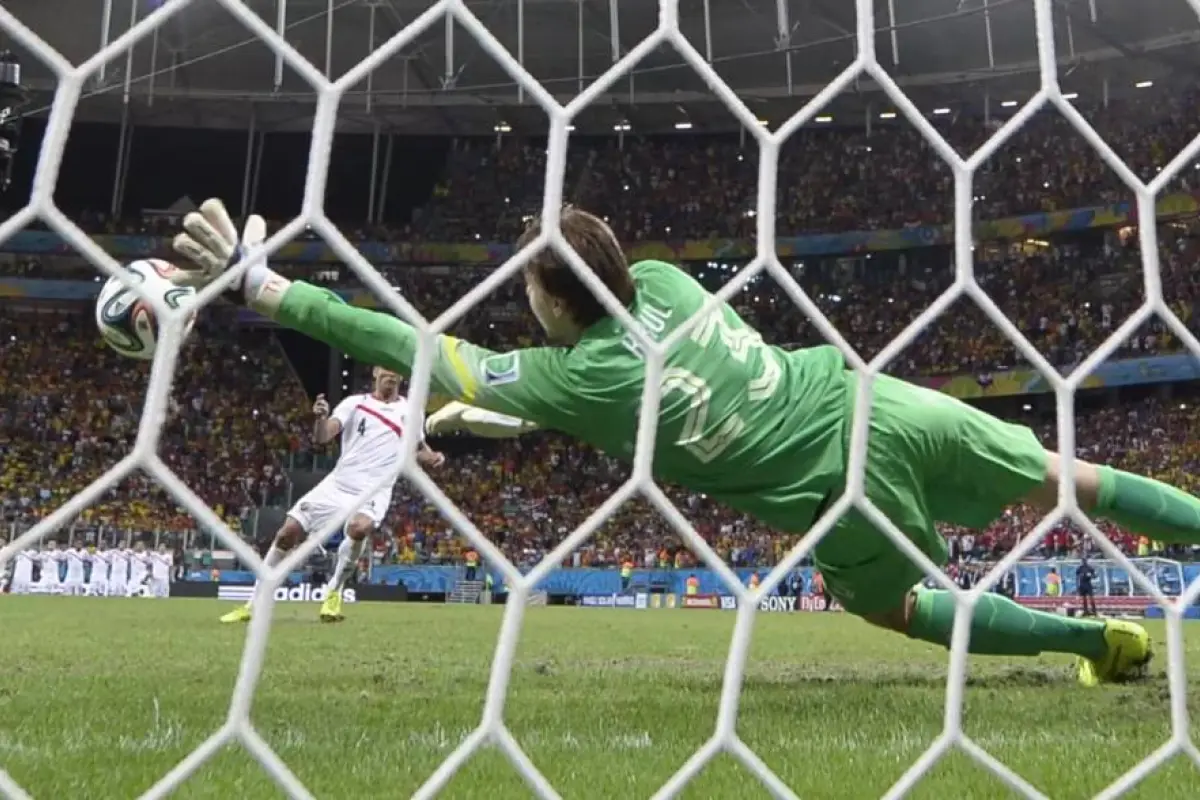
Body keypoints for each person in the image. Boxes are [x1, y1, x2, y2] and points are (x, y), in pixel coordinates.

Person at [173, 199, 1190, 686]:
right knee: (1071, 477)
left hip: (843, 492)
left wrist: (269, 289)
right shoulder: (661, 280)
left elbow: (417, 347)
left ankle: (1096, 644)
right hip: (879, 403)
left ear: (553, 300)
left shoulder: (583, 376)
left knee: (895, 608)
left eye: (531, 287)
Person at [217, 365, 444, 624]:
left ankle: (334, 590)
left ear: (402, 376)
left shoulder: (411, 411)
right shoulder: (355, 403)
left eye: (395, 369)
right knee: (287, 532)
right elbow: (323, 436)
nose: (391, 373)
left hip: (376, 488)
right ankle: (254, 604)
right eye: (385, 368)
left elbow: (417, 448)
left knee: (359, 528)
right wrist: (320, 419)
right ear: (375, 372)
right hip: (339, 484)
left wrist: (433, 457)